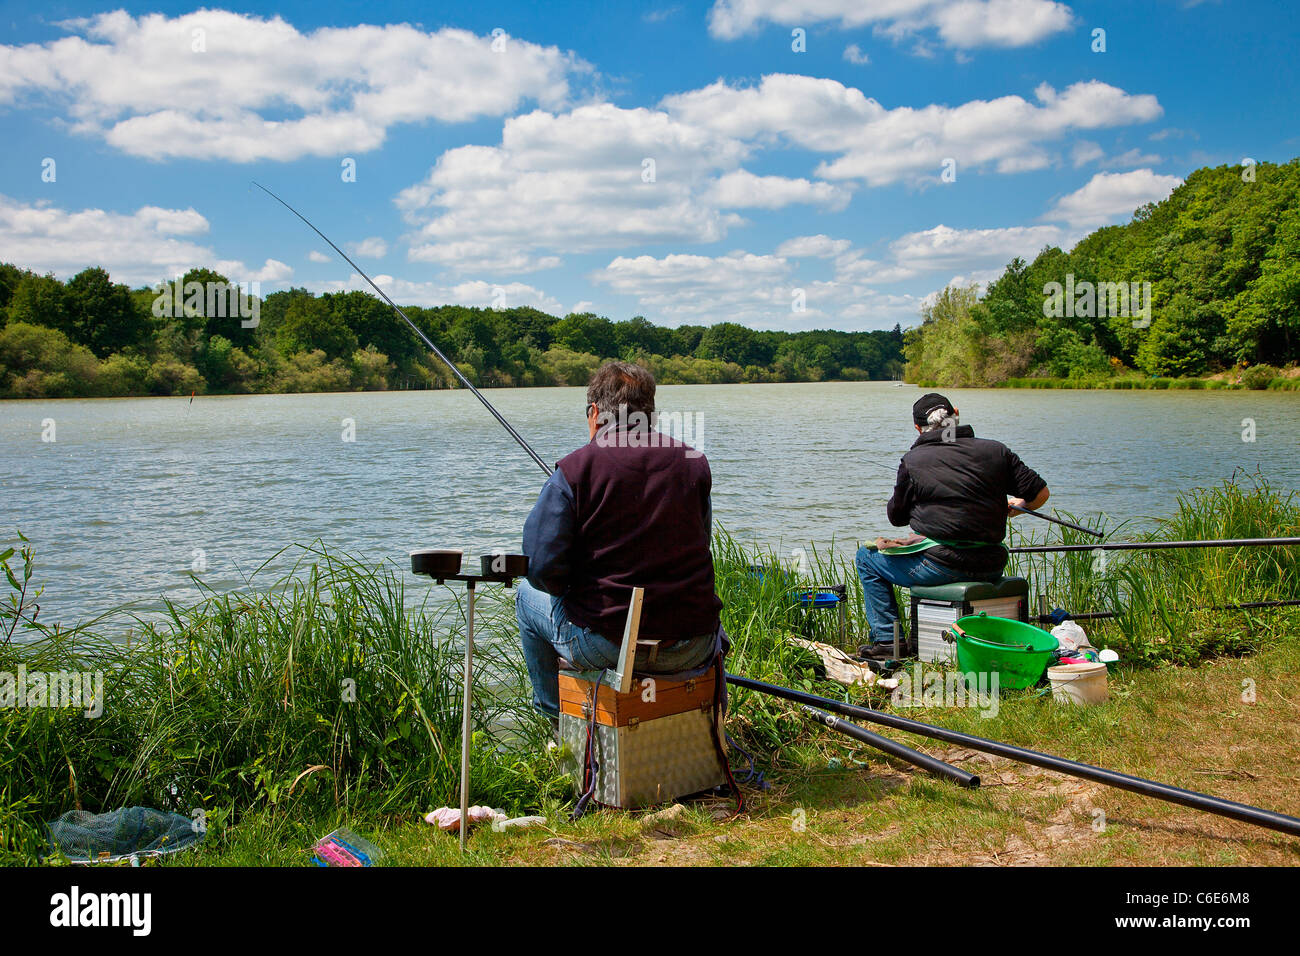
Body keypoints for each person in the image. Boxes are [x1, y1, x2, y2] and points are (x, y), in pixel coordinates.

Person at [516, 361, 722, 727]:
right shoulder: (694, 463)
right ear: (650, 415)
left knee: (523, 597)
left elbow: (538, 567)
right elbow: (701, 542)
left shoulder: (575, 469)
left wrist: (570, 589)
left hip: (609, 644)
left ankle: (554, 724)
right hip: (693, 642)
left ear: (595, 413)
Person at [855, 392, 1049, 661]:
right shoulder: (996, 450)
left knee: (866, 557)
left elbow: (896, 518)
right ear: (955, 413)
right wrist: (1018, 505)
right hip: (992, 565)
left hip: (941, 566)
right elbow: (1040, 494)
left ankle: (889, 641)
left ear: (917, 427)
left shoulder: (913, 461)